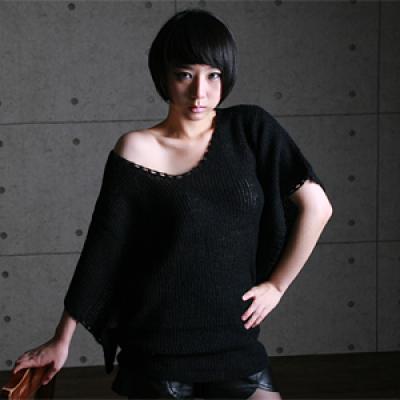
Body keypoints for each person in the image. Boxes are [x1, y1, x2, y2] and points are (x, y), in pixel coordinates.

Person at [12, 8, 332, 400]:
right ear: (163, 77)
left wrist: (276, 286)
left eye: (213, 75)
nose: (200, 92)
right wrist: (61, 339)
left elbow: (317, 208)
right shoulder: (136, 148)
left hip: (235, 343)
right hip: (156, 352)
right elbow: (104, 248)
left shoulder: (251, 129)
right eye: (185, 75)